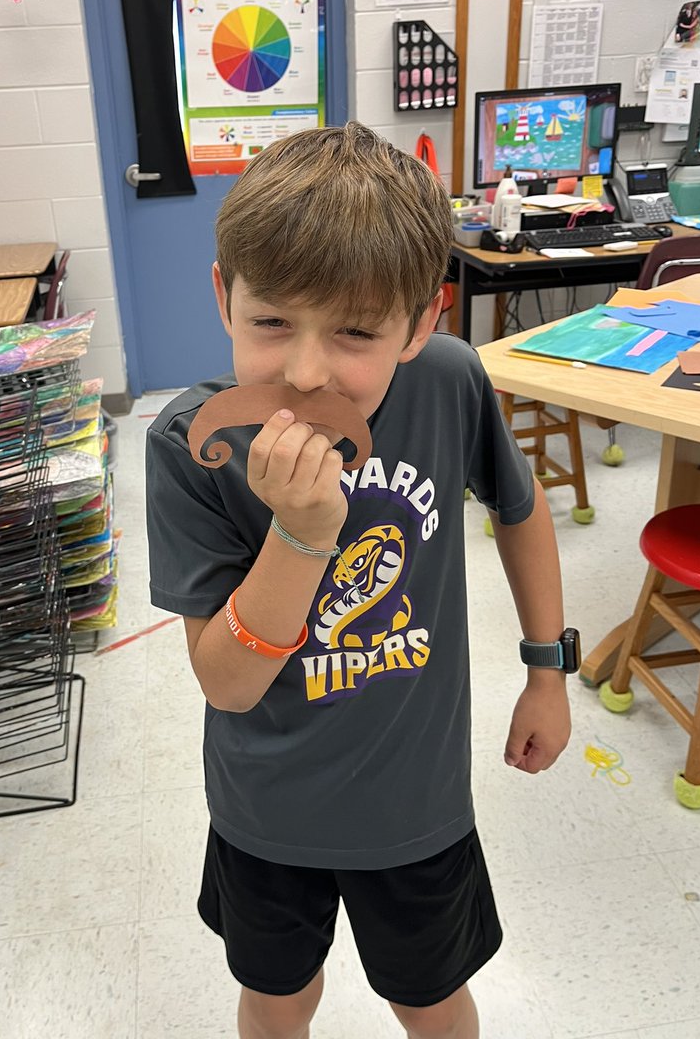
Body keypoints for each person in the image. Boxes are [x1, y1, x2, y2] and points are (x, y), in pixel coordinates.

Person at [146, 122, 571, 1039]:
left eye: (354, 331)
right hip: (267, 814)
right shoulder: (189, 445)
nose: (305, 371)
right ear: (225, 298)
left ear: (422, 321)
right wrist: (300, 538)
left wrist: (547, 670)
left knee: (431, 1000)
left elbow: (519, 508)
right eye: (271, 323)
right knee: (277, 999)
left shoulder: (451, 383)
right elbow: (226, 680)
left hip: (416, 807)